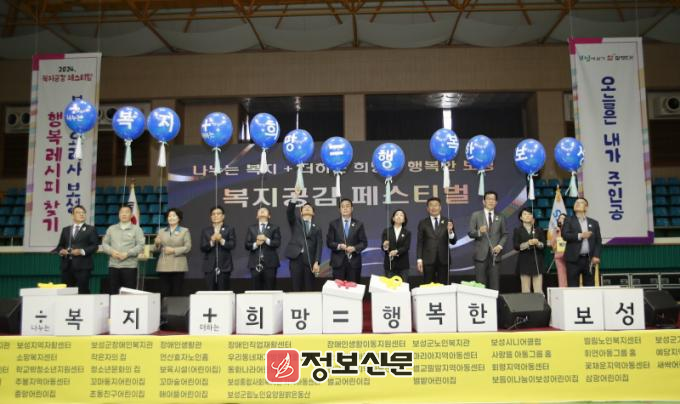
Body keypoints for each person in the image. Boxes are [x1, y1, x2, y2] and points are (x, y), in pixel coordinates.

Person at [467, 191, 508, 290]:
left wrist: (500, 246)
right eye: (488, 199)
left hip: (495, 255)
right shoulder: (476, 215)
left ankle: (494, 300)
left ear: (496, 202)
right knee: (480, 284)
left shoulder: (501, 216)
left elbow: (505, 234)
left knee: (495, 283)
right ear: (483, 201)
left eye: (493, 199)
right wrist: (479, 232)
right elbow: (470, 233)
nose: (491, 201)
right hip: (480, 255)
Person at [54, 205, 98, 294]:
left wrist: (81, 251)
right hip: (67, 266)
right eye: (78, 212)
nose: (81, 214)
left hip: (83, 266)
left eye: (83, 213)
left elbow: (94, 246)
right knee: (67, 293)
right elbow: (60, 246)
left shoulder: (91, 229)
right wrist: (61, 251)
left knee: (82, 291)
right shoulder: (66, 230)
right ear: (72, 216)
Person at [102, 205, 145, 294]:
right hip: (113, 266)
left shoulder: (137, 229)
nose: (124, 214)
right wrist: (112, 252)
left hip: (130, 267)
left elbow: (141, 245)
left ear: (131, 215)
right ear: (118, 214)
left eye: (127, 212)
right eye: (122, 212)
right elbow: (104, 244)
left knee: (128, 294)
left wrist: (127, 253)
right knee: (113, 293)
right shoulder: (111, 229)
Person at [285, 189, 322, 291]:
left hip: (310, 260)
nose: (307, 208)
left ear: (313, 213)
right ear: (301, 212)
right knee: (296, 287)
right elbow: (289, 211)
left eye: (309, 208)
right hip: (296, 258)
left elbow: (319, 246)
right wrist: (295, 197)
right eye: (304, 208)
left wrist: (317, 262)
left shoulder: (317, 228)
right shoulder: (295, 222)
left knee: (309, 288)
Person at [561, 197, 602, 287]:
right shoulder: (568, 220)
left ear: (586, 207)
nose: (577, 204)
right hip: (573, 260)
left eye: (581, 202)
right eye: (576, 202)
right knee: (573, 287)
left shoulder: (594, 223)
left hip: (589, 260)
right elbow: (564, 235)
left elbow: (598, 241)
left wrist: (596, 255)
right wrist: (580, 236)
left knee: (589, 286)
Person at [416, 197, 456, 284]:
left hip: (444, 259)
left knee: (443, 285)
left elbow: (453, 241)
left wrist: (450, 232)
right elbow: (420, 242)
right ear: (427, 208)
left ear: (440, 207)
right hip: (428, 260)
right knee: (428, 285)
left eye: (436, 205)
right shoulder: (423, 222)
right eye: (431, 205)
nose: (434, 207)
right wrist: (419, 259)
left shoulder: (448, 221)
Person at [326, 198, 367, 282]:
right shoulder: (333, 224)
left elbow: (364, 243)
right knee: (338, 288)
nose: (345, 208)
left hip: (354, 263)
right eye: (342, 206)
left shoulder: (359, 224)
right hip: (338, 263)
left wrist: (354, 248)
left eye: (347, 206)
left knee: (353, 288)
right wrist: (339, 246)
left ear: (352, 208)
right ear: (339, 209)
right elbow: (329, 242)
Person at [153, 208, 191, 297]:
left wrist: (173, 250)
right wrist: (157, 244)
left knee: (176, 293)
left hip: (178, 266)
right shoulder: (161, 231)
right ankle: (164, 307)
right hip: (163, 266)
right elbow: (156, 249)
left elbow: (188, 247)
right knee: (164, 293)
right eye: (169, 216)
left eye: (174, 216)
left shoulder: (184, 231)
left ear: (179, 218)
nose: (171, 218)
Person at [200, 206, 236, 291]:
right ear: (211, 217)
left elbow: (232, 245)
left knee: (223, 292)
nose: (215, 216)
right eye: (213, 214)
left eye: (218, 213)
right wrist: (212, 241)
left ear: (223, 216)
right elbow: (202, 247)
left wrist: (221, 240)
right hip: (209, 267)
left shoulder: (229, 229)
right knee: (210, 292)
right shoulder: (206, 230)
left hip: (225, 266)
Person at [245, 207, 281, 290]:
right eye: (260, 211)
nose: (262, 211)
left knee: (270, 288)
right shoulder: (251, 228)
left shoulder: (275, 228)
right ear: (257, 216)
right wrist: (256, 244)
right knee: (255, 289)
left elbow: (277, 243)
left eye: (264, 211)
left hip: (270, 263)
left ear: (269, 216)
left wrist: (266, 239)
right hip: (255, 263)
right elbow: (247, 245)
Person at [513, 208, 546, 294]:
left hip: (537, 261)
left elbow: (544, 245)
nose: (527, 216)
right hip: (524, 261)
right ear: (521, 217)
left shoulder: (539, 229)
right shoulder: (517, 230)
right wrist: (528, 243)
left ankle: (539, 302)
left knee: (538, 290)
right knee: (525, 290)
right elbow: (516, 246)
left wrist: (538, 243)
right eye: (525, 214)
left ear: (533, 217)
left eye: (529, 214)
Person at [381, 209, 411, 282]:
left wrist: (397, 251)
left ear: (404, 220)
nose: (399, 216)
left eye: (401, 215)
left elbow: (406, 247)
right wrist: (385, 246)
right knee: (390, 286)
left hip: (403, 265)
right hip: (390, 265)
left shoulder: (407, 232)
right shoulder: (386, 231)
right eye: (397, 215)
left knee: (403, 286)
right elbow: (383, 247)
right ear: (393, 218)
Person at [549, 213, 568, 287]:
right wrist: (556, 235)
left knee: (570, 275)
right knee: (561, 275)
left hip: (569, 256)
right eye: (560, 218)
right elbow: (552, 244)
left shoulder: (570, 229)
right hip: (559, 256)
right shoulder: (556, 230)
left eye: (563, 218)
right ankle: (563, 289)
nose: (561, 219)